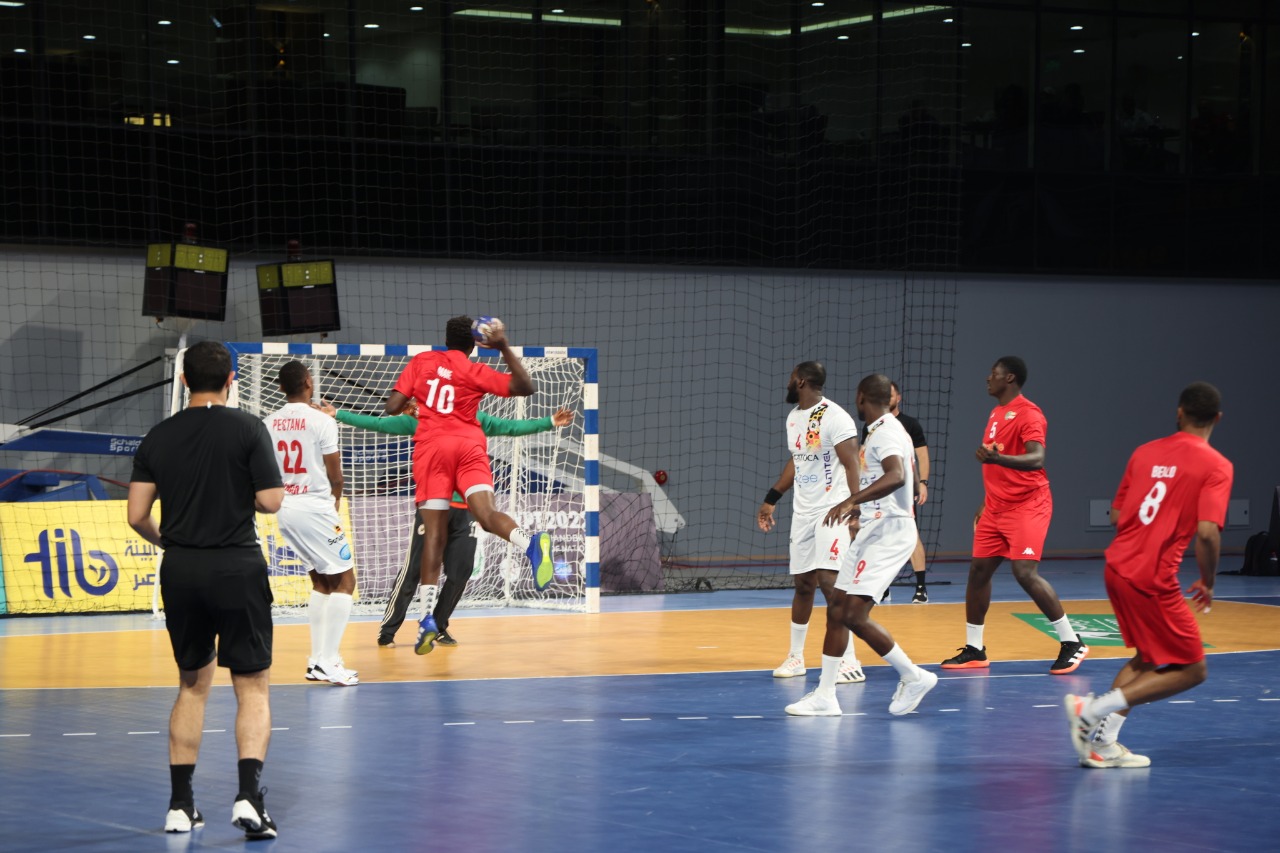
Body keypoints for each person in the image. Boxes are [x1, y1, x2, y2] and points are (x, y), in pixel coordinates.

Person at [127, 341, 284, 839]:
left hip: (182, 571)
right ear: (231, 379)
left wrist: (173, 541)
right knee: (252, 687)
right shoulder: (248, 428)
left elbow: (136, 515)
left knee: (192, 686)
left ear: (183, 380)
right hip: (237, 568)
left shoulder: (157, 436)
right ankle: (249, 799)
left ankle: (180, 807)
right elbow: (271, 501)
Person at [313, 398, 573, 647]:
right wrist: (339, 414)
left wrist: (549, 422)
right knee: (413, 570)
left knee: (461, 572)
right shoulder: (423, 420)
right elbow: (379, 424)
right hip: (433, 506)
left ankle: (437, 626)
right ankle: (388, 630)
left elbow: (509, 427)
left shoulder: (474, 417)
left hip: (467, 509)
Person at [1065, 382, 1232, 769]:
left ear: (1179, 413)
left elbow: (1117, 515)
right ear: (1217, 418)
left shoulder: (1144, 452)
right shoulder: (1217, 465)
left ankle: (1102, 744)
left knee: (1147, 657)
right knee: (1193, 669)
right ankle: (1091, 711)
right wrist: (1208, 581)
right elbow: (1208, 533)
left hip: (1117, 568)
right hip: (1152, 577)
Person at [385, 315, 552, 655]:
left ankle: (426, 620)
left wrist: (414, 403)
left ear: (445, 339)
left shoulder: (422, 362)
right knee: (487, 515)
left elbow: (392, 407)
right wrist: (503, 346)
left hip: (433, 450)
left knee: (434, 536)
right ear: (475, 344)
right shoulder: (475, 370)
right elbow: (525, 387)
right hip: (469, 446)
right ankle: (530, 544)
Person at [785, 374, 937, 717]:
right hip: (873, 528)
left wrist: (852, 500)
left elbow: (897, 475)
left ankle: (913, 676)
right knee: (837, 609)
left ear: (861, 398)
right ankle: (826, 695)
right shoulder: (878, 430)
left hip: (890, 533)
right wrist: (860, 512)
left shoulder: (886, 432)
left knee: (852, 614)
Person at [940, 357, 1088, 675]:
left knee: (1024, 572)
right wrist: (986, 500)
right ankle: (975, 649)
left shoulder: (1029, 413)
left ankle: (1072, 642)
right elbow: (998, 467)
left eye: (992, 374)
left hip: (1028, 505)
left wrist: (998, 458)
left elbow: (1037, 458)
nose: (987, 378)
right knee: (978, 571)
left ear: (1009, 378)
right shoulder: (996, 413)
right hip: (996, 507)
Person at [757, 361, 866, 686]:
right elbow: (798, 459)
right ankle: (796, 657)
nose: (788, 383)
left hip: (833, 511)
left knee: (831, 583)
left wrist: (855, 509)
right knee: (804, 584)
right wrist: (772, 498)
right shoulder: (794, 418)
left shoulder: (835, 417)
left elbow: (852, 464)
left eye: (791, 378)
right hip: (803, 513)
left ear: (801, 381)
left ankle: (849, 659)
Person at [263, 361, 358, 686]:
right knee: (345, 582)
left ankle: (317, 661)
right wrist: (334, 502)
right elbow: (336, 475)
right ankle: (329, 662)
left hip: (285, 508)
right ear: (308, 381)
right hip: (316, 509)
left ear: (280, 387)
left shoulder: (267, 423)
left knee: (321, 582)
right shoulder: (322, 420)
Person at [875, 381, 931, 604]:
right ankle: (884, 588)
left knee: (910, 535)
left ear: (898, 398)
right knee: (880, 536)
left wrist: (923, 483)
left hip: (904, 490)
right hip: (881, 490)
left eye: (890, 395)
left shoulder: (910, 424)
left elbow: (922, 456)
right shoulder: (873, 425)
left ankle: (921, 588)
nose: (886, 399)